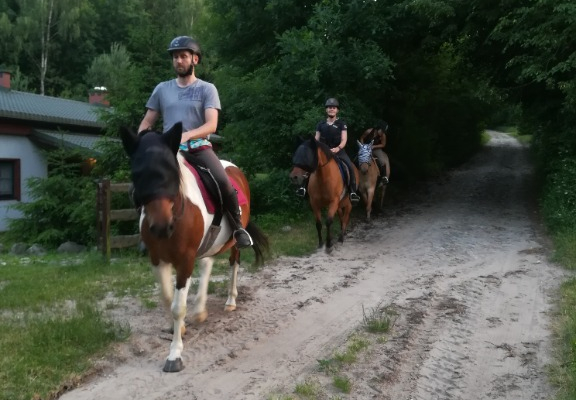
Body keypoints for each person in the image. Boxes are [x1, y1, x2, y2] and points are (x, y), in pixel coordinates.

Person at [138, 35, 253, 248]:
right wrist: (142, 143)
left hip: (199, 148)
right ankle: (147, 230)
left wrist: (187, 135)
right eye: (175, 57)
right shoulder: (162, 89)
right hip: (169, 151)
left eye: (183, 56)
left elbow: (212, 125)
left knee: (224, 183)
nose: (178, 61)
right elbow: (147, 121)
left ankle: (238, 229)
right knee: (140, 184)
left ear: (195, 60)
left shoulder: (207, 89)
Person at [296, 98, 360, 202]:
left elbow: (344, 140)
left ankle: (352, 192)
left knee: (349, 166)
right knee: (309, 165)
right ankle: (302, 188)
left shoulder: (342, 124)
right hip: (323, 153)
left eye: (334, 108)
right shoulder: (320, 124)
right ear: (326, 110)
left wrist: (337, 148)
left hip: (338, 151)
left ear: (337, 110)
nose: (331, 109)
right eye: (329, 107)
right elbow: (316, 140)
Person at [359, 120, 391, 186]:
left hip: (375, 149)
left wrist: (374, 146)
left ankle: (384, 176)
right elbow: (362, 138)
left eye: (383, 132)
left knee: (382, 160)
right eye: (382, 131)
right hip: (366, 148)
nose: (382, 133)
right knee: (356, 158)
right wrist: (363, 146)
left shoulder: (383, 135)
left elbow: (383, 144)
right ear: (378, 128)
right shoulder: (369, 131)